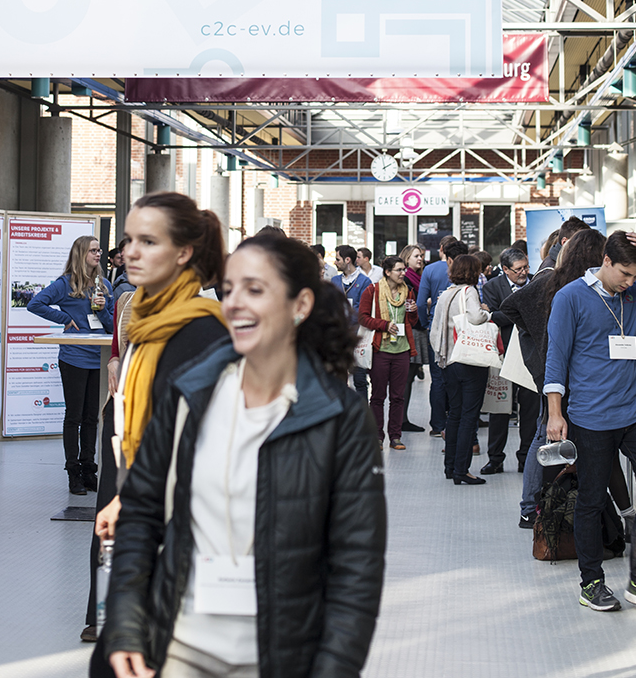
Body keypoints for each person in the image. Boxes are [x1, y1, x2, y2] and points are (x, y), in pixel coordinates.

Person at [102, 233, 386, 678]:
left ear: (300, 305)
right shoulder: (188, 393)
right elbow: (140, 515)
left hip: (281, 657)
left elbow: (357, 563)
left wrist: (334, 668)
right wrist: (124, 625)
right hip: (177, 649)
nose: (234, 303)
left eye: (255, 289)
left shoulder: (339, 416)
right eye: (229, 289)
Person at [85, 192, 230, 648]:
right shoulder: (145, 322)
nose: (129, 252)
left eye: (148, 241)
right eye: (129, 240)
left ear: (183, 253)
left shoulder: (204, 332)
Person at [544, 230, 636, 613]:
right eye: (625, 273)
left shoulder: (635, 294)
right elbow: (556, 356)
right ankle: (591, 583)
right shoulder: (570, 297)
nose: (630, 282)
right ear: (605, 261)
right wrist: (555, 412)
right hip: (591, 416)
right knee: (591, 499)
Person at [502, 229, 606, 529]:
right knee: (545, 436)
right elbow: (511, 307)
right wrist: (541, 342)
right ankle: (532, 508)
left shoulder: (571, 281)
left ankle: (546, 508)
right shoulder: (553, 278)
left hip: (566, 374)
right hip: (555, 374)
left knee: (552, 437)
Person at [27, 236, 115, 495]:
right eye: (93, 250)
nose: (98, 254)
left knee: (92, 418)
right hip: (74, 357)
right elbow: (35, 304)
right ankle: (73, 472)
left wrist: (102, 310)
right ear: (81, 254)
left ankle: (89, 470)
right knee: (74, 416)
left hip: (98, 358)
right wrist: (64, 318)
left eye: (99, 250)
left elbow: (112, 326)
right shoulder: (65, 284)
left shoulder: (104, 285)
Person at [429, 252, 493, 485]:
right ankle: (462, 470)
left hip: (449, 361)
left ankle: (450, 467)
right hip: (470, 361)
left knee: (454, 414)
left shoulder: (445, 294)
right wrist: (487, 311)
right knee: (469, 416)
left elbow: (435, 329)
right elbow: (476, 317)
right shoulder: (469, 291)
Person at [478, 246, 540, 476]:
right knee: (500, 408)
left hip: (531, 355)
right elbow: (494, 318)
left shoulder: (536, 282)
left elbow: (502, 314)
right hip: (503, 354)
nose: (523, 272)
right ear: (505, 269)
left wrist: (506, 313)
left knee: (530, 410)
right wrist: (524, 312)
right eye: (518, 269)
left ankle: (526, 458)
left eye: (525, 267)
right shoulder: (492, 286)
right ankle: (495, 458)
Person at [358, 256, 416, 450]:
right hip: (380, 350)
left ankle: (395, 437)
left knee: (398, 397)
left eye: (404, 269)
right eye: (399, 270)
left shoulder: (408, 291)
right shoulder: (372, 291)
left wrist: (414, 311)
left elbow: (413, 322)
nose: (403, 273)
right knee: (378, 396)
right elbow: (363, 318)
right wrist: (384, 325)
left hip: (402, 350)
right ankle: (377, 436)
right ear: (387, 272)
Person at [416, 238, 468, 436]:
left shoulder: (430, 270)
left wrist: (425, 324)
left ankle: (438, 425)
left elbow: (421, 303)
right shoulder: (470, 269)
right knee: (462, 378)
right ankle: (460, 422)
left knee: (438, 378)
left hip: (437, 329)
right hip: (463, 329)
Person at [331, 245, 372, 397]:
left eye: (338, 259)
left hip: (357, 336)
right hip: (338, 336)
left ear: (347, 260)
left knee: (360, 379)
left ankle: (362, 410)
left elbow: (364, 309)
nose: (335, 262)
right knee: (339, 378)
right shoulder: (335, 281)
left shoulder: (365, 282)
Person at [399, 245, 427, 430]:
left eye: (421, 255)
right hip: (410, 330)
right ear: (407, 258)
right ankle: (402, 420)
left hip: (419, 328)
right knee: (406, 376)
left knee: (409, 375)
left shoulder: (419, 277)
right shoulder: (406, 279)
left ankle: (402, 419)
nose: (420, 259)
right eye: (416, 256)